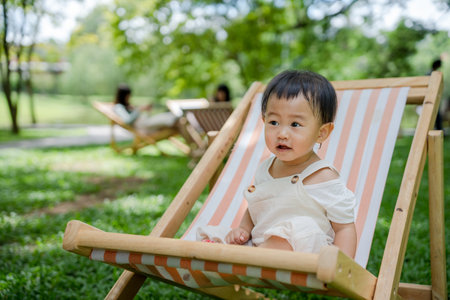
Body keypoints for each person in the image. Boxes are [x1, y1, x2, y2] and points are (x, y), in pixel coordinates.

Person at [197, 70, 357, 258]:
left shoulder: (322, 176)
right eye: (273, 122)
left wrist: (341, 268)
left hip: (307, 252)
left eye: (295, 124)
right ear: (263, 121)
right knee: (217, 233)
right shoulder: (266, 169)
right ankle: (231, 253)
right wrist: (243, 229)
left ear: (321, 133)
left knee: (299, 227)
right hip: (263, 244)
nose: (282, 133)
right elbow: (257, 204)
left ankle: (241, 258)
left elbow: (344, 227)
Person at [113, 83, 178, 135]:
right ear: (123, 96)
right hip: (143, 126)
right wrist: (138, 110)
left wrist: (145, 111)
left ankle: (176, 117)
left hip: (146, 123)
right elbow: (127, 121)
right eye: (128, 96)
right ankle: (176, 116)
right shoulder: (118, 107)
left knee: (174, 121)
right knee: (172, 120)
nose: (129, 98)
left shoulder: (127, 106)